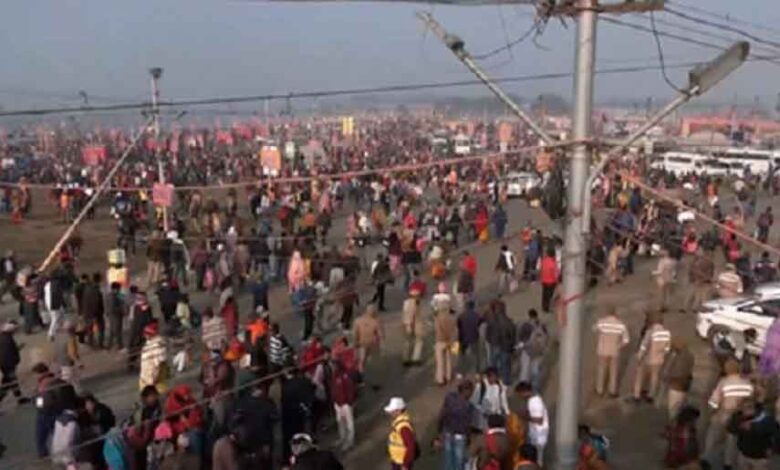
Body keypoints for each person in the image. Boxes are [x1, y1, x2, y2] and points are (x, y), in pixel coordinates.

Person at [701, 359, 755, 469]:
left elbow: (714, 401)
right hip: (739, 416)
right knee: (732, 441)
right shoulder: (747, 384)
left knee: (713, 438)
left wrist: (712, 412)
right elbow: (751, 402)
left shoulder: (724, 382)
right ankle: (728, 463)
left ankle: (707, 459)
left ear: (727, 369)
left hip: (724, 413)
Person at [727, 399, 779, 470]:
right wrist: (739, 426)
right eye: (744, 408)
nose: (746, 410)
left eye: (749, 407)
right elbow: (731, 429)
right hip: (744, 455)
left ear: (755, 407)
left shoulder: (766, 418)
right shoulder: (739, 417)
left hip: (760, 457)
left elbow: (776, 434)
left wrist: (772, 449)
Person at [435, 380, 474, 470]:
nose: (471, 394)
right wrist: (469, 438)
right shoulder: (468, 406)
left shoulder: (450, 397)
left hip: (448, 432)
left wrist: (439, 431)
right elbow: (467, 425)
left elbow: (442, 414)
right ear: (466, 390)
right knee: (458, 462)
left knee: (447, 460)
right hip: (460, 435)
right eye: (471, 391)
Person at [631, 315, 671, 404]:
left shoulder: (650, 332)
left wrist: (639, 357)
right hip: (659, 360)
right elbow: (667, 349)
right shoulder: (667, 333)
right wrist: (661, 354)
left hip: (648, 358)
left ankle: (636, 395)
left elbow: (644, 346)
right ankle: (651, 395)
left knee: (640, 377)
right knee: (654, 377)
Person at [593, 308, 630, 398]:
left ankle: (599, 389)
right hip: (614, 350)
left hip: (602, 350)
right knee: (613, 371)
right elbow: (626, 340)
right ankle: (612, 390)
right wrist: (619, 345)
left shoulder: (602, 322)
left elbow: (594, 329)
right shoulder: (621, 325)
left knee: (602, 370)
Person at [515, 382, 549, 467]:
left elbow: (539, 420)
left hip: (539, 436)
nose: (520, 397)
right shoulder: (531, 400)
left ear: (524, 392)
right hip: (535, 435)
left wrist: (525, 417)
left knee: (537, 460)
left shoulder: (535, 401)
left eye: (520, 394)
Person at [664, 337, 695, 421]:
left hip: (677, 386)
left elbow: (678, 372)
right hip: (683, 385)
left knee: (674, 407)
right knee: (679, 405)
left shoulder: (681, 357)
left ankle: (673, 422)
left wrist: (669, 377)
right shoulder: (689, 355)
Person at [517, 309, 549, 390]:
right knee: (535, 371)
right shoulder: (542, 326)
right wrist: (543, 348)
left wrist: (520, 347)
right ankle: (534, 388)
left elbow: (521, 338)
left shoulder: (525, 325)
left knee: (525, 371)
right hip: (537, 352)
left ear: (529, 316)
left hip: (527, 351)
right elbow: (545, 338)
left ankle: (524, 387)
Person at [329, 360, 357, 452]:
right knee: (340, 422)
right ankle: (342, 438)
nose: (332, 368)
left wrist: (349, 401)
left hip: (345, 404)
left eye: (333, 366)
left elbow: (350, 389)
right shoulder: (334, 376)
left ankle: (350, 441)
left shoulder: (345, 375)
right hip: (338, 404)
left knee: (349, 423)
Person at [385, 397, 418, 470]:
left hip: (402, 462)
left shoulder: (403, 427)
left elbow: (411, 446)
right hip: (397, 460)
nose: (390, 413)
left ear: (398, 411)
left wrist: (405, 465)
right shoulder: (398, 423)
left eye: (392, 411)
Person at [0, 320, 27, 405]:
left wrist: (18, 348)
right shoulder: (7, 339)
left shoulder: (4, 337)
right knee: (11, 382)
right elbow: (7, 353)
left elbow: (9, 351)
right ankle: (20, 398)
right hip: (8, 365)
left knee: (9, 383)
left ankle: (20, 398)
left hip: (6, 365)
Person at [139, 320, 170, 393]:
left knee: (158, 392)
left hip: (153, 376)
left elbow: (159, 363)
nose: (145, 335)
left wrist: (154, 377)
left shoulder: (157, 345)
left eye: (146, 333)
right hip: (146, 375)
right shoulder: (149, 342)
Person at [352, 304, 383, 375]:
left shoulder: (358, 321)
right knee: (366, 360)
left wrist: (355, 344)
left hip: (364, 343)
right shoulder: (375, 321)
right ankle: (362, 373)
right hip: (367, 343)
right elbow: (380, 334)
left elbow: (355, 334)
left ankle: (360, 373)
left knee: (362, 359)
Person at [683, 248, 714, 314]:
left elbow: (694, 271)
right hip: (701, 281)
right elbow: (695, 271)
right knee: (700, 296)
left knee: (697, 295)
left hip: (698, 280)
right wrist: (706, 278)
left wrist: (698, 278)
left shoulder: (697, 262)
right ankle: (694, 308)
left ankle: (691, 308)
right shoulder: (707, 263)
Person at [457, 300, 483, 375]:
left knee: (461, 355)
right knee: (475, 355)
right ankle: (477, 371)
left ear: (466, 307)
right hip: (474, 337)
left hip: (462, 338)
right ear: (473, 307)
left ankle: (461, 371)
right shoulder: (477, 315)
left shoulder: (461, 316)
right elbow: (480, 323)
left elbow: (458, 326)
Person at [434, 308, 458, 386]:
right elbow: (455, 331)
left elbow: (437, 330)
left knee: (440, 362)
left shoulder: (438, 319)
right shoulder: (453, 319)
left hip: (440, 340)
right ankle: (448, 376)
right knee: (449, 360)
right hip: (451, 341)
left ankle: (440, 379)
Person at [402, 292, 425, 367]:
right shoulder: (415, 303)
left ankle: (406, 358)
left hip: (409, 324)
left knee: (408, 342)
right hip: (414, 324)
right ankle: (415, 358)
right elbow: (410, 314)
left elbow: (405, 314)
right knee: (418, 341)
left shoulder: (406, 303)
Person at [43, 274, 66, 341]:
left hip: (49, 304)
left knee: (61, 314)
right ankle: (50, 334)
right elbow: (58, 294)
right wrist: (63, 303)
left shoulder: (47, 284)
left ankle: (59, 326)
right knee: (55, 319)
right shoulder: (57, 284)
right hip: (54, 304)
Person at [105, 282, 126, 350]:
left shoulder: (110, 295)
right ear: (115, 289)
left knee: (112, 331)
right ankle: (120, 346)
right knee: (117, 331)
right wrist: (121, 309)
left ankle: (109, 345)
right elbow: (113, 307)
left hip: (112, 316)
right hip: (115, 316)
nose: (119, 290)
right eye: (119, 289)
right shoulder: (113, 296)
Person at [539, 246, 559, 313]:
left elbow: (541, 269)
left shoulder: (544, 260)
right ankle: (547, 307)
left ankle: (544, 306)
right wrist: (557, 281)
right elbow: (556, 274)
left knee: (544, 294)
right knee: (549, 295)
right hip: (551, 282)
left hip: (544, 280)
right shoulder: (553, 263)